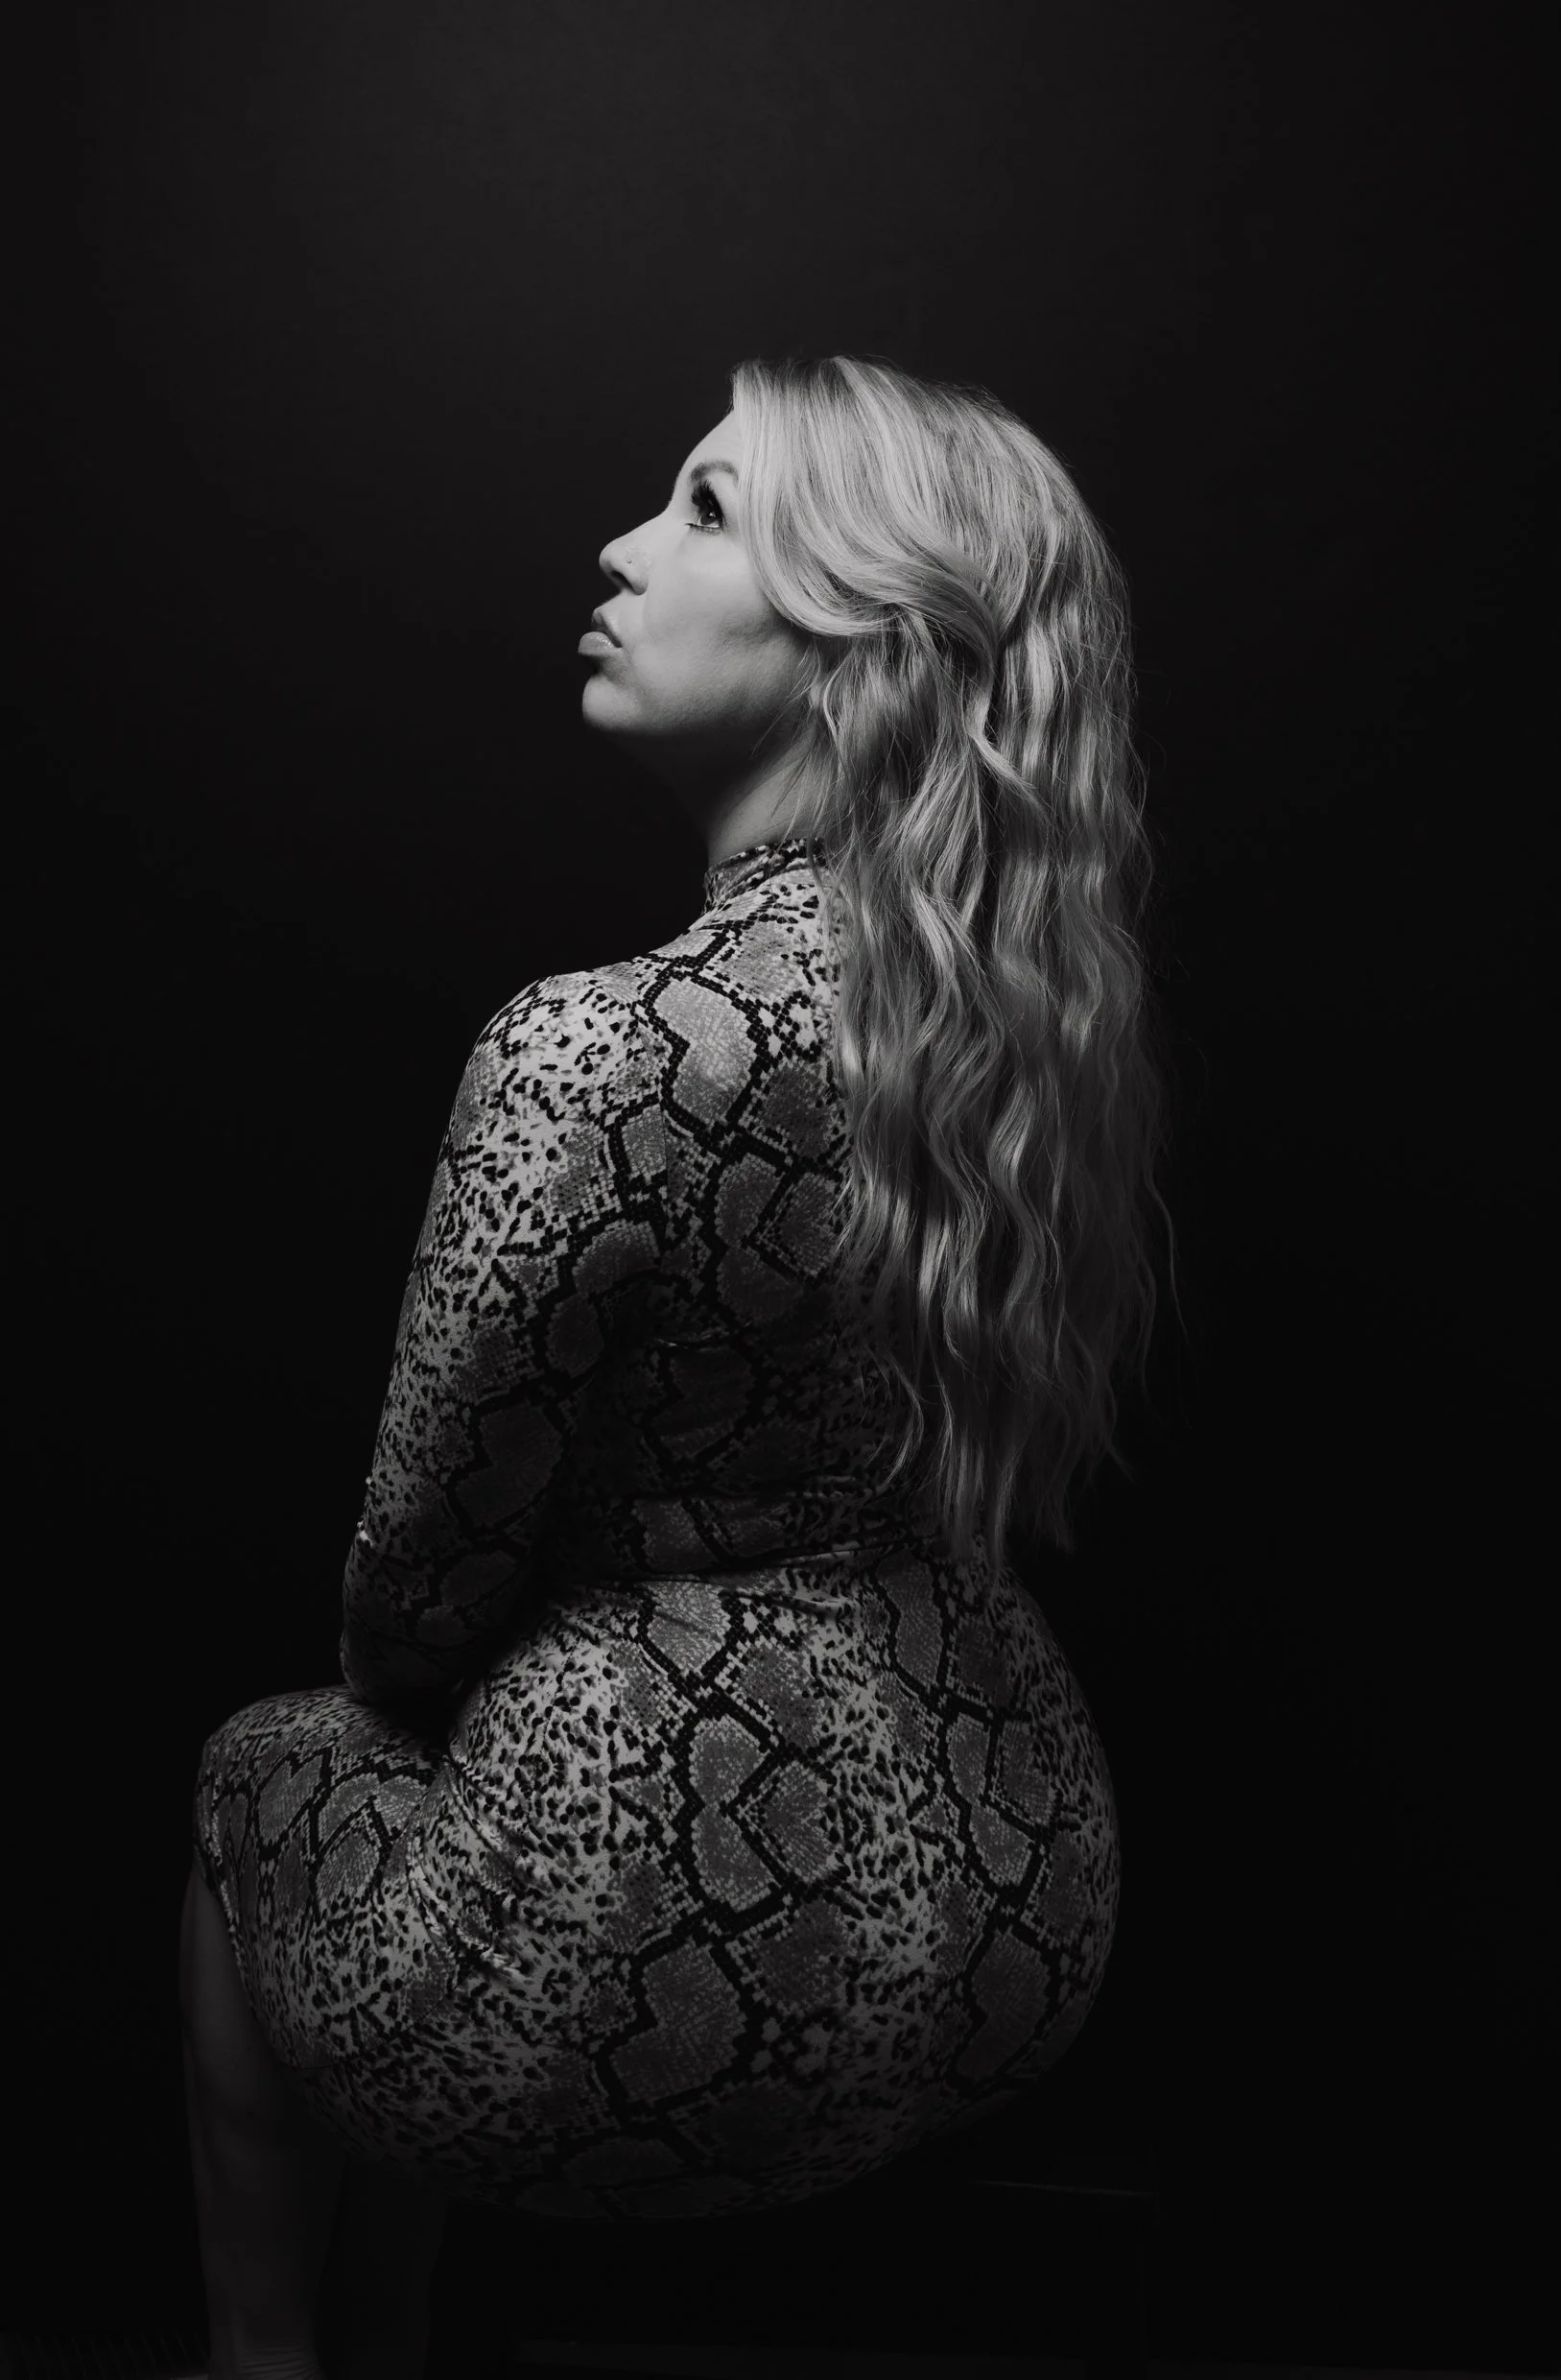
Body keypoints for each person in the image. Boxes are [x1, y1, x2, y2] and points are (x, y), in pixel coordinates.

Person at [180, 353, 1173, 2380]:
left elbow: (407, 1598)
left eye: (708, 510)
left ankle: (278, 2362)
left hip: (620, 1942)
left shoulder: (596, 1050)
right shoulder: (1011, 1033)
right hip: (1015, 1894)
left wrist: (526, 1664)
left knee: (259, 1770)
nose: (625, 549)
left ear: (859, 648)